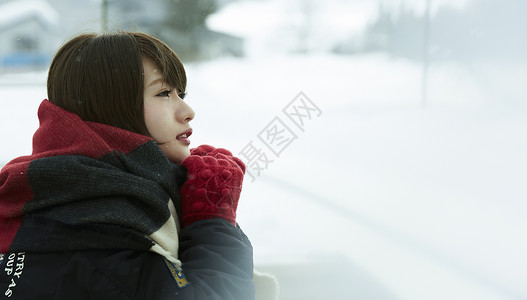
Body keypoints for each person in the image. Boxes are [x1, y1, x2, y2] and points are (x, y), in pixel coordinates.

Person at [0, 31, 258, 299]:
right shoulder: (98, 234)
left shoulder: (63, 200)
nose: (187, 110)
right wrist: (211, 219)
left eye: (180, 93)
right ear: (109, 107)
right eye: (164, 93)